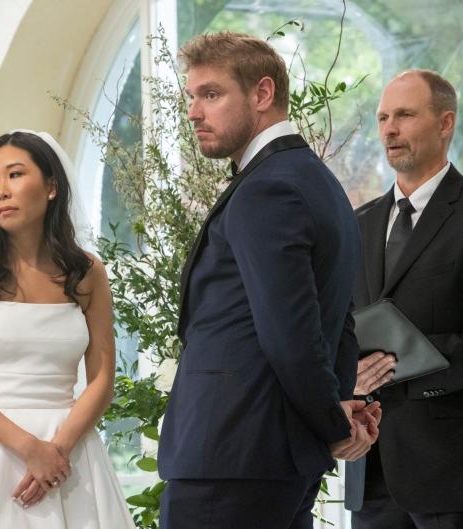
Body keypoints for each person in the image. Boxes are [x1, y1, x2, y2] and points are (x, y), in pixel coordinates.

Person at [157, 32, 381, 529]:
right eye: (190, 96)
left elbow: (291, 335)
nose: (194, 111)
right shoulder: (319, 183)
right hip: (275, 458)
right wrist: (338, 410)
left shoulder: (268, 189)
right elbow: (337, 318)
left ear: (261, 94)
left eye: (210, 94)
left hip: (231, 456)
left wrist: (332, 421)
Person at [0, 130, 135, 528]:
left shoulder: (88, 273)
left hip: (70, 452)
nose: (1, 190)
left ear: (52, 186)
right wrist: (29, 449)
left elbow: (103, 379)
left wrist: (58, 450)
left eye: (15, 175)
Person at [345, 69, 463, 529]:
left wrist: (400, 365)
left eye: (404, 114)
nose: (389, 129)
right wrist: (350, 374)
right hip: (370, 470)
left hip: (456, 474)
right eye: (383, 117)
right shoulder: (357, 224)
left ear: (445, 123)